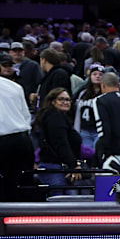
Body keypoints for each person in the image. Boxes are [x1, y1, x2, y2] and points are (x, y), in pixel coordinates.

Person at [34, 88, 82, 194]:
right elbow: (61, 144)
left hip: (62, 168)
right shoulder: (55, 118)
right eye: (61, 99)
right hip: (54, 168)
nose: (65, 102)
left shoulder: (60, 117)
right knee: (63, 204)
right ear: (52, 101)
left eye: (68, 100)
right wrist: (73, 165)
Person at [0, 73, 34, 201]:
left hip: (4, 140)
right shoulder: (14, 86)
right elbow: (26, 116)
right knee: (22, 187)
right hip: (22, 140)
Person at [73, 64, 104, 156]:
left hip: (98, 130)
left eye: (100, 74)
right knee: (87, 155)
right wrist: (76, 130)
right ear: (90, 76)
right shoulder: (83, 93)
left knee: (98, 155)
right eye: (95, 74)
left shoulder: (105, 95)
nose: (98, 76)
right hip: (84, 130)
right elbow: (78, 113)